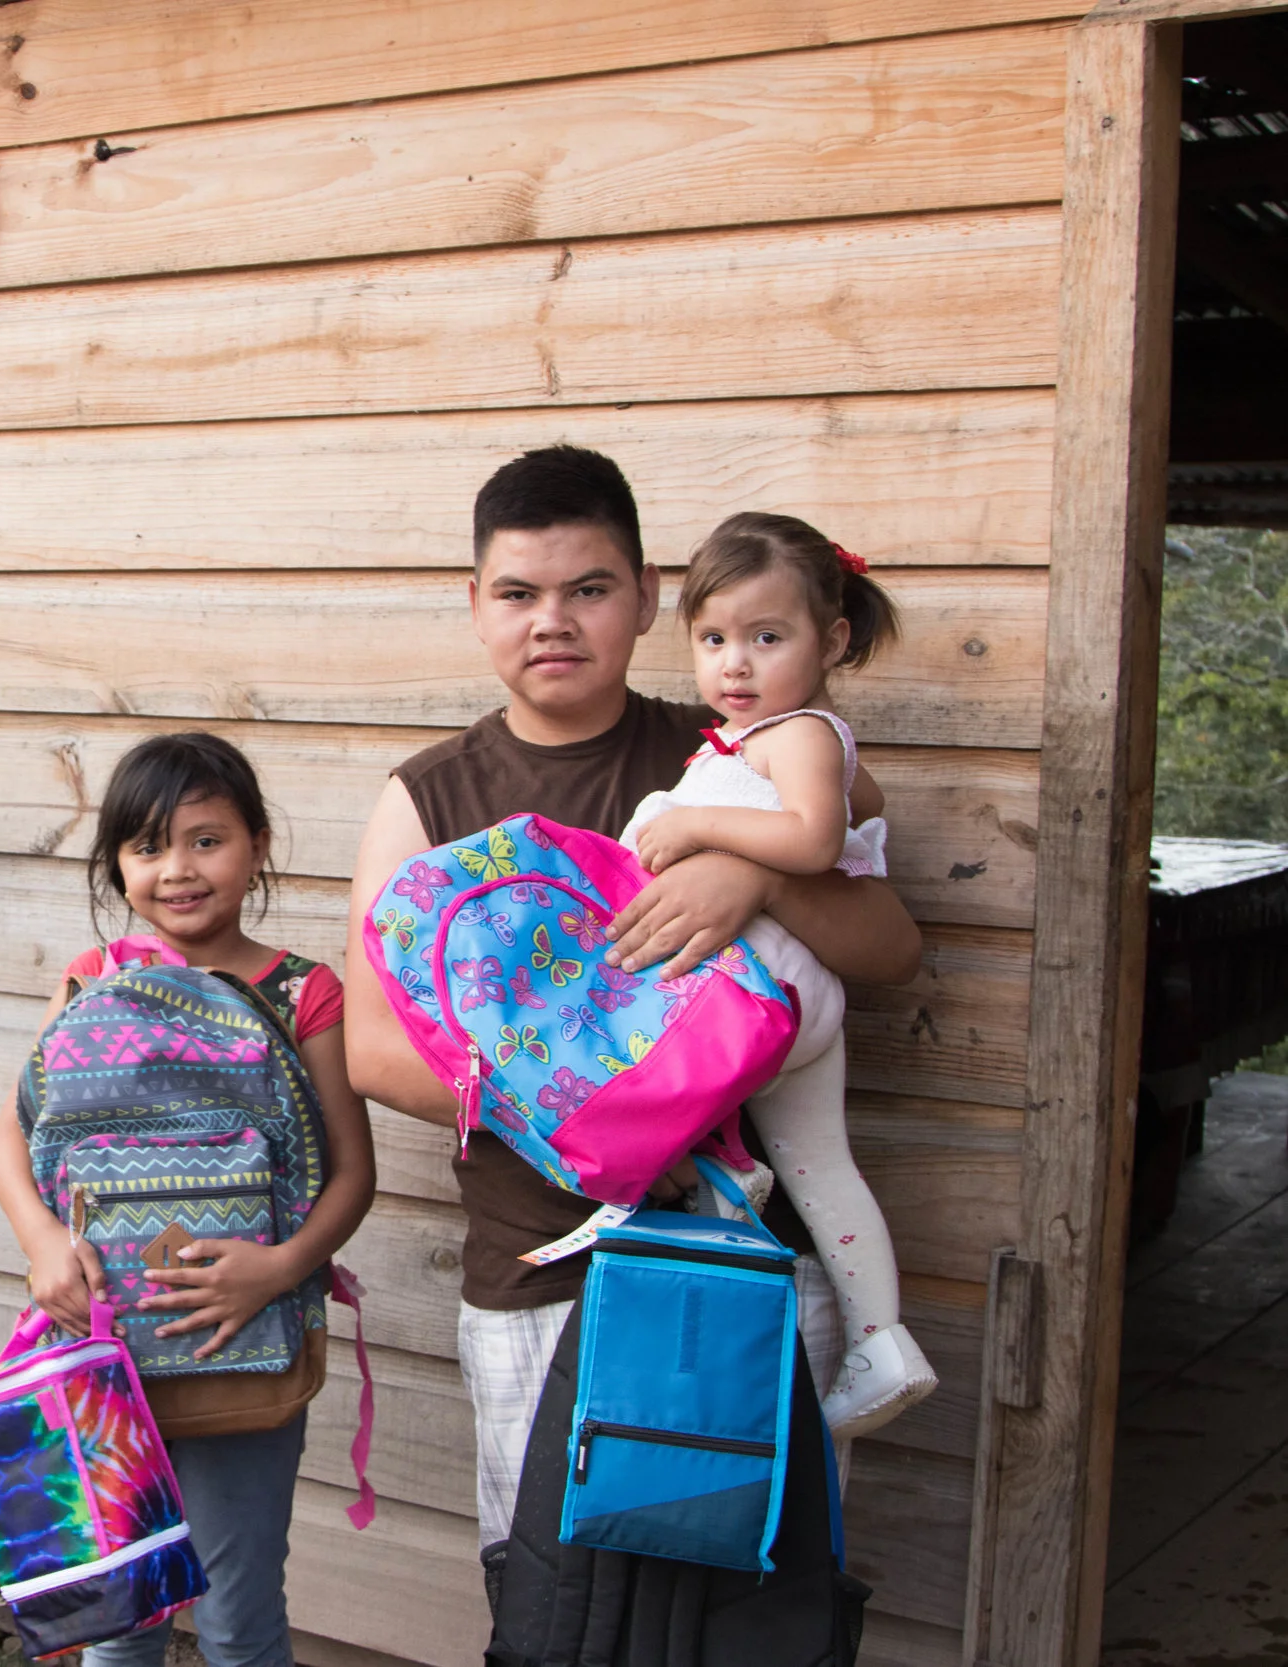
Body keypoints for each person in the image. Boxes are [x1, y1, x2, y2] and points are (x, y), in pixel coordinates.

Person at [339, 447, 923, 1604]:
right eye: (518, 592)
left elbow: (891, 953)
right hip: (537, 1275)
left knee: (750, 1607)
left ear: (648, 596)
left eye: (589, 588)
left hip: (752, 1266)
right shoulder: (426, 796)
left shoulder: (736, 747)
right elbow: (374, 1049)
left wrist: (759, 880)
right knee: (554, 1608)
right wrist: (603, 1122)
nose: (551, 620)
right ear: (475, 604)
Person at [0, 731, 379, 1667]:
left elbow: (353, 1172)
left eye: (207, 839)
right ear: (117, 863)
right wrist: (43, 1245)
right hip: (103, 1342)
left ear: (257, 844)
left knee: (240, 1617)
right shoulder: (92, 980)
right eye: (148, 846)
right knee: (120, 1616)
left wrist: (280, 1268)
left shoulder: (303, 993)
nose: (178, 869)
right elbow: (10, 1136)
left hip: (247, 1342)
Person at [620, 511, 937, 1438]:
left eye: (768, 638)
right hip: (797, 1000)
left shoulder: (795, 733)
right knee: (822, 1165)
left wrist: (697, 825)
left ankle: (729, 1180)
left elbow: (813, 837)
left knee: (660, 1092)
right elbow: (859, 797)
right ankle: (880, 1340)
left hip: (770, 994)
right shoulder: (785, 737)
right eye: (714, 639)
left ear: (830, 642)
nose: (736, 665)